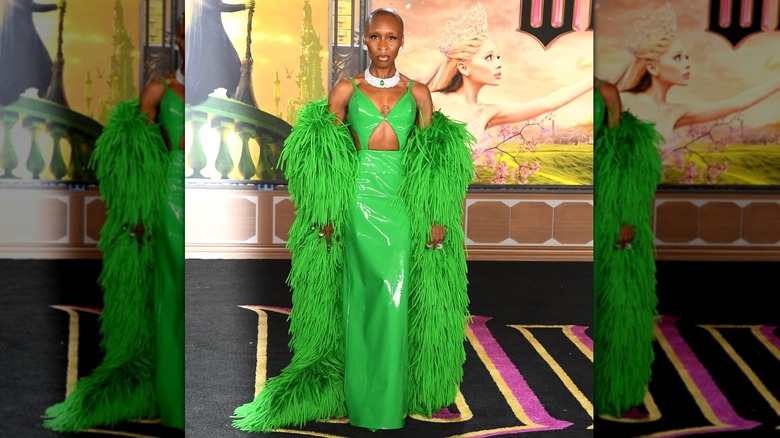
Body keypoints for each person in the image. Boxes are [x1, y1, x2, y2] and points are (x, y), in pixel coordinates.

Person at [231, 7, 475, 433]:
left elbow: (432, 159)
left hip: (401, 202)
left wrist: (437, 212)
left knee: (396, 297)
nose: (383, 46)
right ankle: (360, 396)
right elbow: (327, 155)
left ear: (402, 42)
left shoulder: (419, 93)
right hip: (359, 202)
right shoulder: (346, 89)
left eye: (392, 38)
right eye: (376, 37)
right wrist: (326, 208)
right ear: (365, 40)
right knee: (362, 298)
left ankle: (390, 396)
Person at [42, 15, 185, 432]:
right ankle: (176, 405)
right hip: (171, 201)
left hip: (209, 196)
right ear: (175, 38)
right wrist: (136, 212)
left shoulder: (215, 94)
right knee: (172, 297)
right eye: (182, 33)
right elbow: (135, 159)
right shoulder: (159, 90)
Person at [614, 3, 780, 171]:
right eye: (678, 58)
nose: (687, 64)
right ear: (652, 67)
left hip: (645, 194)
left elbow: (737, 102)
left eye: (687, 57)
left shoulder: (677, 112)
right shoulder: (622, 100)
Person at [592, 77, 664, 419]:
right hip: (585, 207)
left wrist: (625, 213)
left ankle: (618, 390)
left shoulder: (605, 91)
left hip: (609, 211)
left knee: (621, 304)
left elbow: (619, 154)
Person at [425, 2, 592, 141]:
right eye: (489, 57)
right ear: (463, 67)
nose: (498, 64)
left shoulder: (489, 112)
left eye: (498, 57)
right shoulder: (433, 99)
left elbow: (549, 103)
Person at [185, 0, 254, 106]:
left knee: (224, 65)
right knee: (231, 64)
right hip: (213, 36)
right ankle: (232, 92)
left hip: (210, 35)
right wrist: (244, 6)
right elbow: (218, 5)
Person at [0, 0, 63, 105]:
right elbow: (29, 5)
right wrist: (56, 6)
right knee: (42, 63)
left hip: (17, 34)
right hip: (21, 35)